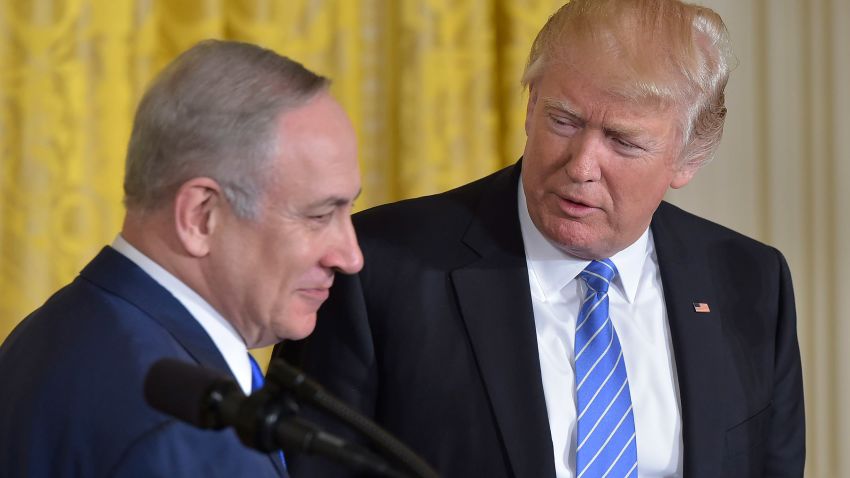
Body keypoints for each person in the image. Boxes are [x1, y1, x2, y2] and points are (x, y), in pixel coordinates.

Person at [276, 1, 805, 477]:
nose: (581, 165)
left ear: (689, 158)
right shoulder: (375, 268)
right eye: (564, 120)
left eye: (623, 141)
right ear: (530, 106)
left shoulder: (751, 281)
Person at [0, 39, 363, 478]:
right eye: (320, 214)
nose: (350, 257)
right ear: (200, 216)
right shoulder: (188, 431)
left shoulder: (56, 331)